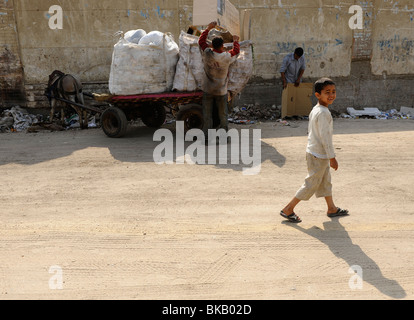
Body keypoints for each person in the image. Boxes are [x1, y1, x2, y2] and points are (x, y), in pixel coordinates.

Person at [280, 78, 349, 223]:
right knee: (311, 184)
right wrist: (332, 157)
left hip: (316, 152)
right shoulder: (323, 113)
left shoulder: (317, 109)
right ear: (318, 95)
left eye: (333, 92)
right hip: (319, 154)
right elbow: (325, 138)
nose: (331, 95)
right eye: (327, 92)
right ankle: (288, 208)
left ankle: (331, 208)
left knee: (325, 181)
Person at [198, 21, 240, 141]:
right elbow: (236, 51)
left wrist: (208, 28)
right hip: (221, 91)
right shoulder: (226, 57)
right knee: (223, 115)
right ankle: (223, 137)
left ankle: (206, 138)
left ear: (212, 46)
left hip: (208, 90)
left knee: (207, 115)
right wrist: (235, 40)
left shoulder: (207, 54)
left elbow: (201, 42)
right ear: (222, 46)